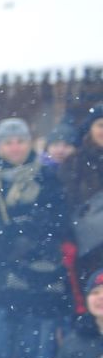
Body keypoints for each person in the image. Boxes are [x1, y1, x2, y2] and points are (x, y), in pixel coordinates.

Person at [0, 117, 70, 358]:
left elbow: (59, 217)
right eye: (8, 142)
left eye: (21, 141)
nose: (15, 147)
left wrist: (34, 233)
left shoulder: (47, 175)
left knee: (33, 326)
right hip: (0, 263)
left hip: (39, 263)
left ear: (30, 143)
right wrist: (7, 238)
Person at [61, 106, 103, 290]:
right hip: (88, 250)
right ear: (90, 128)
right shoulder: (74, 163)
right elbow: (66, 203)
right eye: (101, 125)